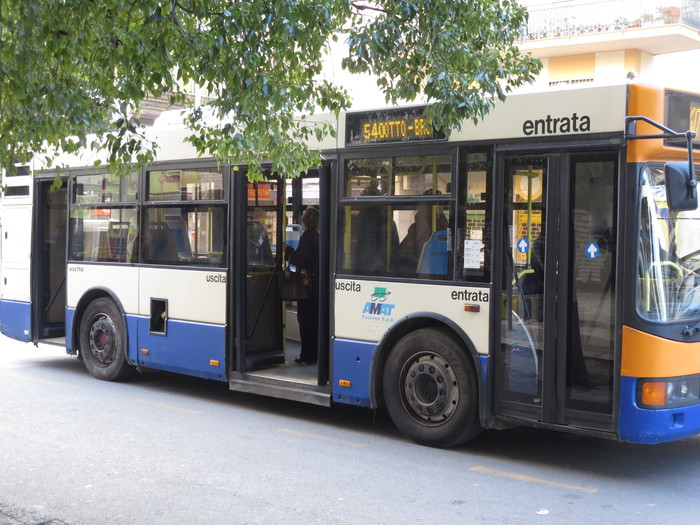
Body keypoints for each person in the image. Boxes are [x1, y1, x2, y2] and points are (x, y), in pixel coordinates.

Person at [285, 207, 320, 365]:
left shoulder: (307, 237)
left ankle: (307, 355)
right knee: (314, 321)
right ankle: (314, 353)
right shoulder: (318, 236)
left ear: (305, 221)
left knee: (305, 321)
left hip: (308, 287)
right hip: (317, 285)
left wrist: (288, 250)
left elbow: (299, 259)